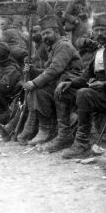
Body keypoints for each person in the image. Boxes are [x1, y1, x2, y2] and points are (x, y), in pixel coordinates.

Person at [50, 12, 106, 158]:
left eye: (103, 29)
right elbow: (85, 77)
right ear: (92, 32)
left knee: (84, 93)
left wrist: (104, 84)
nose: (100, 33)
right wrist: (69, 83)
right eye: (97, 30)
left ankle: (82, 143)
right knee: (63, 90)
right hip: (101, 92)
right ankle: (64, 135)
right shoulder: (98, 51)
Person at [17, 15, 83, 146]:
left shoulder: (63, 46)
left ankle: (46, 129)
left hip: (71, 83)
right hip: (59, 81)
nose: (45, 36)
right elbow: (48, 70)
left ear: (57, 32)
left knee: (38, 90)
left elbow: (55, 69)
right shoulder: (54, 47)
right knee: (38, 91)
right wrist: (32, 70)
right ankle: (42, 128)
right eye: (43, 34)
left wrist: (34, 82)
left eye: (48, 33)